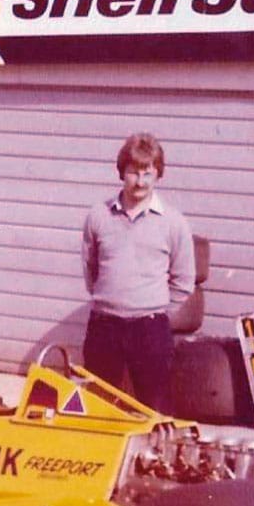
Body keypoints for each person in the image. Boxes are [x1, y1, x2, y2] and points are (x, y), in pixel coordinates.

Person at [80, 132, 195, 412]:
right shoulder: (98, 216)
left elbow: (184, 280)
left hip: (150, 329)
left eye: (147, 173)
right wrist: (111, 299)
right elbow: (90, 267)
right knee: (97, 407)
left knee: (154, 410)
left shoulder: (174, 222)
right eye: (133, 173)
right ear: (122, 173)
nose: (140, 182)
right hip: (104, 327)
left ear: (158, 175)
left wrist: (155, 311)